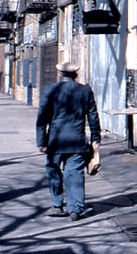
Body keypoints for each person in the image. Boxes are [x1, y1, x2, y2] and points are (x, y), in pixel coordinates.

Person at [36, 61, 101, 221]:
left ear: (59, 75)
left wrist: (41, 141)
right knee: (74, 174)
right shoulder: (85, 91)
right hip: (77, 141)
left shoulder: (50, 90)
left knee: (53, 171)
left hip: (56, 142)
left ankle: (57, 205)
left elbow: (42, 118)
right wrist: (95, 138)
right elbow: (93, 116)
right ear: (76, 75)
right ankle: (75, 209)